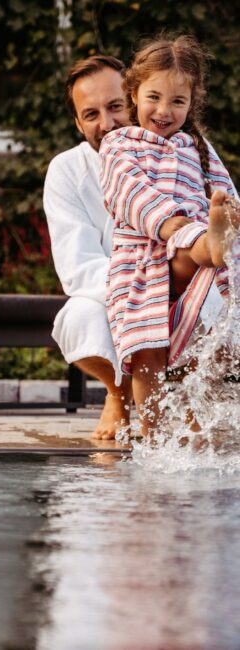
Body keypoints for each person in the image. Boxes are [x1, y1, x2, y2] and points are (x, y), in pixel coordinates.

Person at [99, 35, 239, 436]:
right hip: (142, 259)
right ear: (133, 94)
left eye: (177, 102)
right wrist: (169, 224)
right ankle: (155, 434)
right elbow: (126, 191)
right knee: (147, 354)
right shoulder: (119, 143)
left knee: (198, 352)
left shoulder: (196, 147)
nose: (164, 111)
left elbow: (223, 194)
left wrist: (228, 216)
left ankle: (195, 430)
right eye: (154, 98)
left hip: (194, 257)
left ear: (191, 104)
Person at [43, 55, 132, 440]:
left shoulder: (179, 148)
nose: (107, 124)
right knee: (77, 318)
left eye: (115, 106)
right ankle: (119, 394)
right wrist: (141, 290)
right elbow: (78, 268)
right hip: (114, 294)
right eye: (91, 114)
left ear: (136, 99)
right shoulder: (66, 170)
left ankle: (192, 407)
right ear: (79, 123)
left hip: (182, 286)